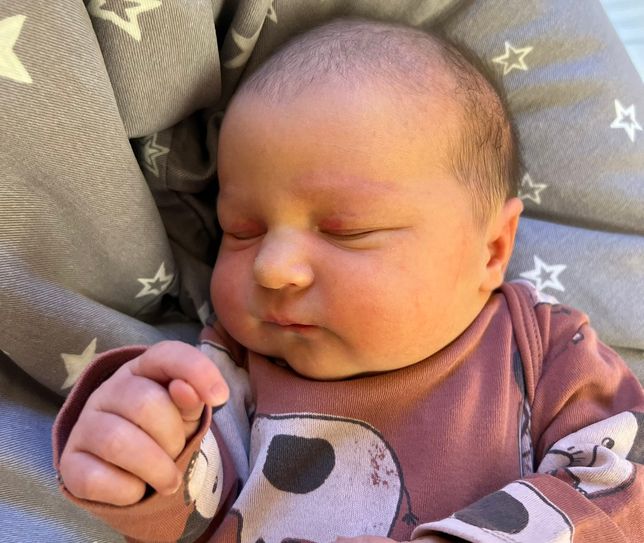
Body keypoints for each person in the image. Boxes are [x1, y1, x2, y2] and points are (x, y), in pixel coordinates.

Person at [53, 18, 643, 543]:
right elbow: (193, 511)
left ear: (491, 250)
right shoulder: (229, 370)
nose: (271, 268)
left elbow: (624, 487)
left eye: (347, 231)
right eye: (241, 230)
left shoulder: (543, 349)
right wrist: (142, 455)